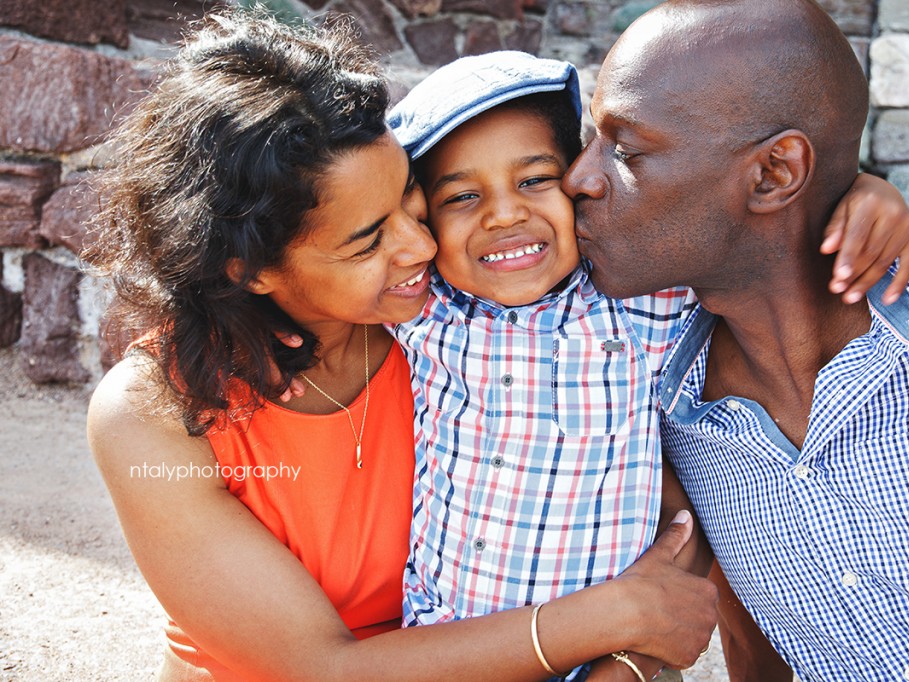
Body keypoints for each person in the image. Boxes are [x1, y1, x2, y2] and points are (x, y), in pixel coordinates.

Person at [84, 10, 723, 681]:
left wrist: (625, 659)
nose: (422, 247)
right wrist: (609, 618)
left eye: (411, 203)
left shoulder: (452, 319)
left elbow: (661, 481)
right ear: (248, 269)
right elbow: (322, 670)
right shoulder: (149, 415)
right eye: (368, 240)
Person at [381, 49, 909, 681]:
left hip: (617, 652)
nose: (504, 214)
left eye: (534, 181)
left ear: (579, 181)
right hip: (454, 644)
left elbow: (746, 232)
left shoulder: (634, 298)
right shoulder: (428, 310)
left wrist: (863, 193)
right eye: (463, 196)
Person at [561, 1, 909, 681]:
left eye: (626, 151)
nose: (580, 178)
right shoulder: (648, 396)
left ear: (775, 173)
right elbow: (754, 635)